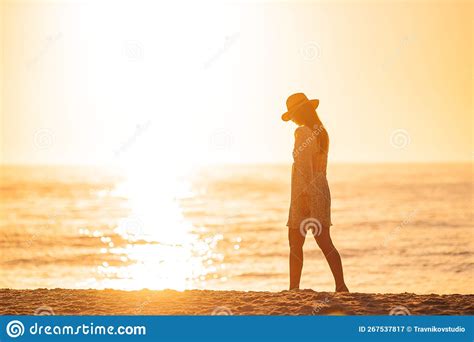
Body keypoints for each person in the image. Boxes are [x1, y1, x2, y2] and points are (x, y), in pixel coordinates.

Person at [281, 93, 348, 292]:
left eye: (293, 114)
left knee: (295, 243)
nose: (292, 119)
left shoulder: (302, 133)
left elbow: (303, 169)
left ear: (299, 113)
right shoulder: (321, 133)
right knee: (325, 242)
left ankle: (294, 288)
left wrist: (303, 199)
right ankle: (341, 286)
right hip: (321, 191)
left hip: (305, 192)